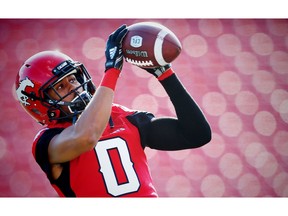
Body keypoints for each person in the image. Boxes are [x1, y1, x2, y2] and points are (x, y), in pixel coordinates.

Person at [15, 24, 211, 197]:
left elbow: (196, 135)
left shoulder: (124, 118)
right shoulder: (47, 141)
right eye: (60, 87)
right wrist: (112, 71)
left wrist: (165, 73)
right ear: (40, 103)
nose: (74, 87)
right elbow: (87, 136)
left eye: (73, 79)